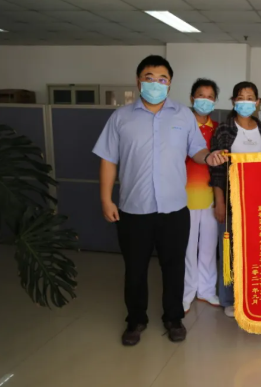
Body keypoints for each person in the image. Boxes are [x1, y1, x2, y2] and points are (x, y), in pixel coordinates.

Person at [93, 55, 227, 346]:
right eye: (149, 78)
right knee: (135, 269)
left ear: (170, 83)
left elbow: (196, 151)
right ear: (139, 81)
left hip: (174, 209)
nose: (156, 83)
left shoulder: (183, 116)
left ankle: (173, 318)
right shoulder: (121, 117)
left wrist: (209, 157)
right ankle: (136, 320)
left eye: (162, 79)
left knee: (174, 267)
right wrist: (105, 199)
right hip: (133, 210)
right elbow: (108, 159)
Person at [210, 81, 261, 319]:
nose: (245, 102)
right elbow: (217, 170)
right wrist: (220, 202)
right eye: (240, 98)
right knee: (229, 250)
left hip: (257, 202)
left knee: (254, 250)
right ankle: (229, 298)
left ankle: (251, 295)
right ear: (233, 102)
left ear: (257, 102)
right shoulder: (224, 129)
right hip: (231, 199)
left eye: (250, 98)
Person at [183, 78, 220, 313]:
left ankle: (206, 290)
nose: (205, 100)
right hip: (184, 195)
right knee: (186, 247)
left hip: (211, 195)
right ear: (191, 98)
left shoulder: (218, 128)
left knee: (208, 245)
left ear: (215, 101)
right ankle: (186, 292)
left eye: (210, 96)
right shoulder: (181, 124)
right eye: (200, 95)